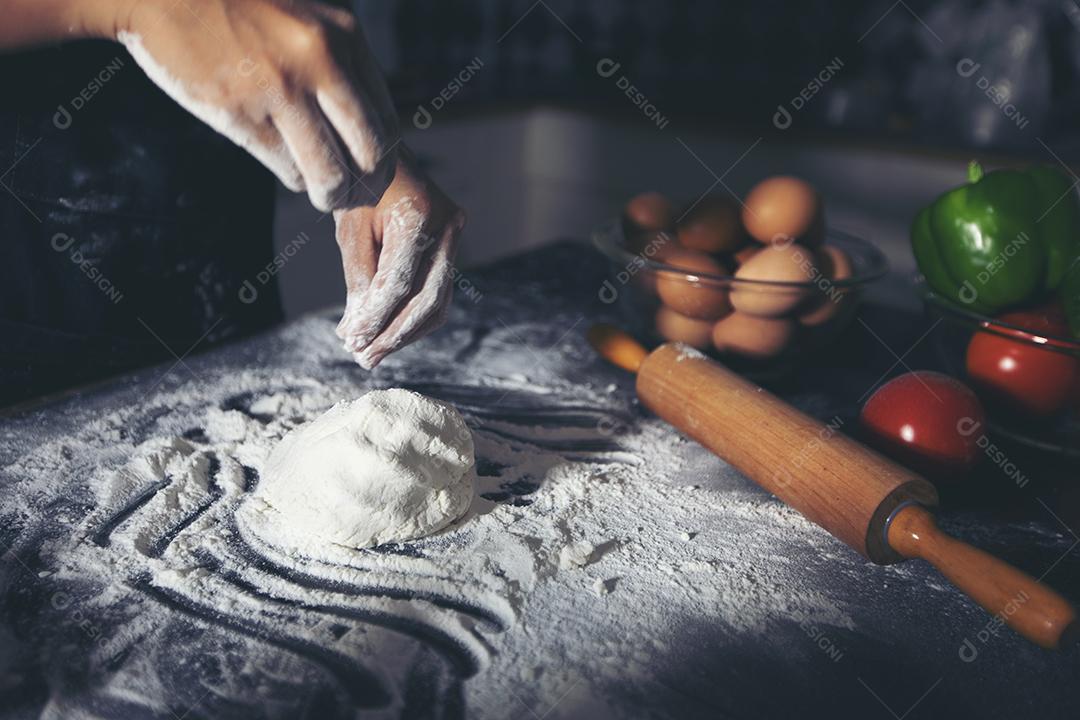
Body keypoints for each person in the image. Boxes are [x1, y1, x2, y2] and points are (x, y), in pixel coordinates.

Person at [0, 0, 465, 405]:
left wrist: (368, 152)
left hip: (224, 287)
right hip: (37, 283)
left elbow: (280, 26)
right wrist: (137, 7)